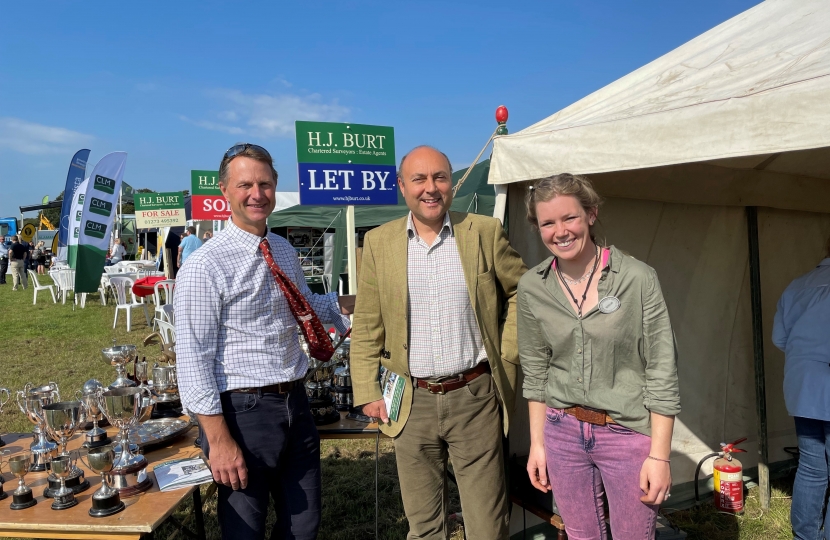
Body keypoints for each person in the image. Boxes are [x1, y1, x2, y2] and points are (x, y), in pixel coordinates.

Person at [175, 142, 355, 540]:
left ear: (275, 186)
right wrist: (218, 439)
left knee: (303, 526)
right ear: (224, 191)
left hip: (295, 401)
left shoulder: (284, 250)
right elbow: (192, 360)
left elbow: (308, 306)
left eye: (265, 183)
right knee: (246, 529)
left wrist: (358, 304)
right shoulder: (205, 265)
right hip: (243, 412)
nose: (257, 194)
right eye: (245, 185)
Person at [351, 145, 527, 540]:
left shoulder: (483, 232)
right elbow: (366, 322)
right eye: (419, 179)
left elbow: (522, 291)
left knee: (486, 524)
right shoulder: (379, 242)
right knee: (424, 525)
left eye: (440, 177)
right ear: (401, 187)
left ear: (452, 183)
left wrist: (508, 350)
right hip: (410, 401)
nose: (430, 188)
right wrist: (366, 389)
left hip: (475, 396)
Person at [519, 174, 680, 540]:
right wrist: (538, 444)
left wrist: (660, 456)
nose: (560, 231)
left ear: (591, 214)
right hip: (561, 432)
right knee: (580, 536)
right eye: (548, 223)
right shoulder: (532, 287)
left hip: (626, 434)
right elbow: (536, 373)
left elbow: (662, 370)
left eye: (569, 218)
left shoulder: (637, 279)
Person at [772, 236, 830, 540]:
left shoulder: (798, 285)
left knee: (811, 465)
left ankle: (805, 536)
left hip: (803, 388)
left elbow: (780, 340)